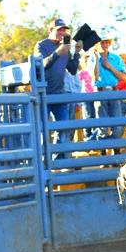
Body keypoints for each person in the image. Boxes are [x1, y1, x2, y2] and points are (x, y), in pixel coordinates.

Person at [34, 18, 81, 157]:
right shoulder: (41, 45)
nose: (62, 32)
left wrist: (77, 52)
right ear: (50, 30)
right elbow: (40, 65)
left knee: (64, 127)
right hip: (43, 94)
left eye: (64, 30)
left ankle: (59, 159)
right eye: (59, 29)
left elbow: (72, 69)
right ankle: (44, 162)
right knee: (44, 130)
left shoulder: (65, 46)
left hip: (59, 92)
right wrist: (58, 53)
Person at [94, 33, 126, 143]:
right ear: (98, 44)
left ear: (109, 44)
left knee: (117, 125)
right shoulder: (92, 59)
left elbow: (125, 78)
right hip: (100, 91)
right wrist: (96, 59)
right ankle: (103, 153)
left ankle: (115, 152)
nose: (104, 45)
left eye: (106, 42)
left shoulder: (116, 58)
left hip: (114, 90)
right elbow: (95, 77)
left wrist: (109, 66)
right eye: (102, 42)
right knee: (102, 125)